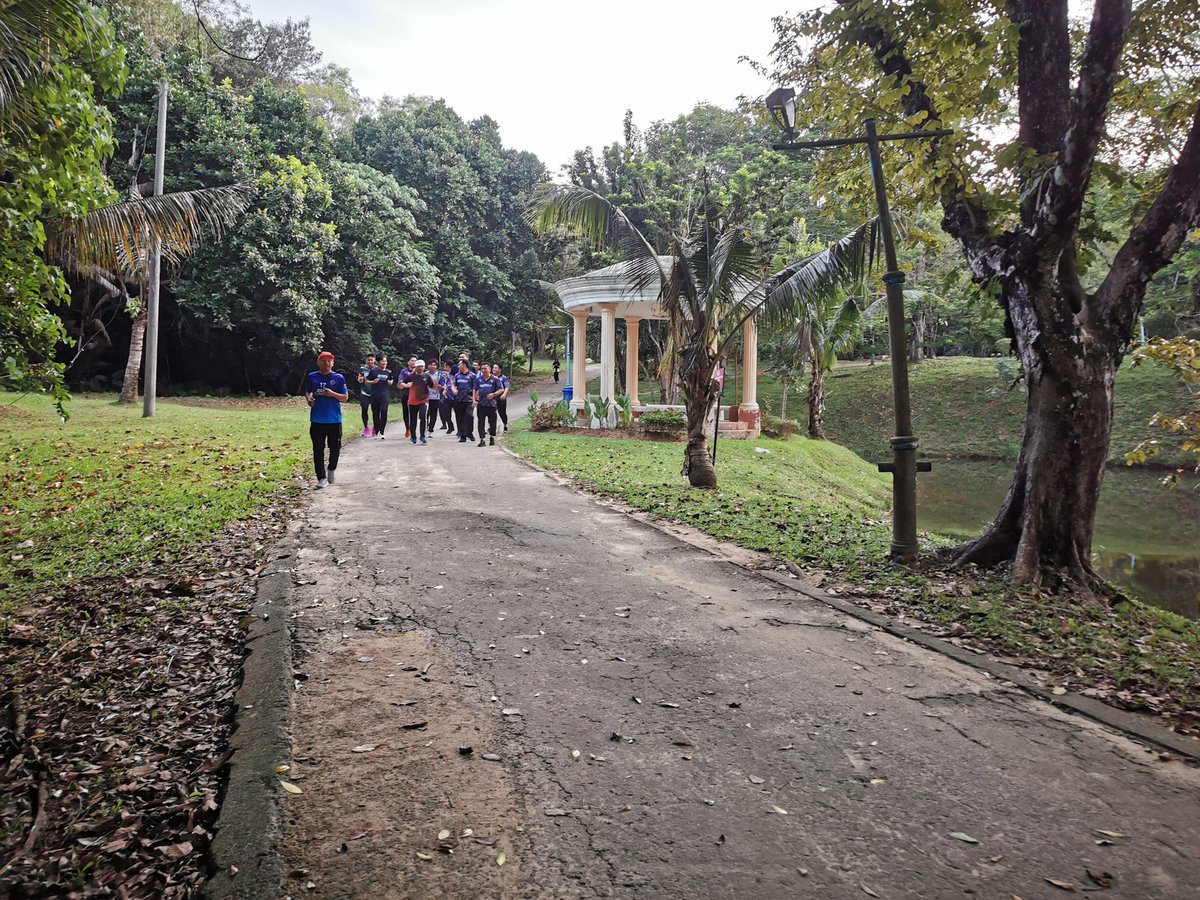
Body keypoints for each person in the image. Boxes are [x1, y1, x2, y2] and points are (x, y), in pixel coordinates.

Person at [304, 351, 348, 487]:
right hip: (317, 420)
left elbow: (345, 398)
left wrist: (332, 394)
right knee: (318, 449)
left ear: (333, 363)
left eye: (329, 361)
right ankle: (321, 478)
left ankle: (331, 469)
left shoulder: (339, 378)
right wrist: (309, 399)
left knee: (335, 449)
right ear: (318, 362)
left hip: (334, 420)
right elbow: (308, 392)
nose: (326, 363)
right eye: (323, 360)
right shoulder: (312, 377)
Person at [402, 359, 433, 444]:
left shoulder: (427, 376)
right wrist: (406, 385)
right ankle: (413, 436)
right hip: (413, 400)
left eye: (421, 366)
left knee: (423, 417)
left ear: (424, 367)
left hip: (424, 399)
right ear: (416, 367)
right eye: (418, 366)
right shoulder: (411, 376)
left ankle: (422, 436)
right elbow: (402, 384)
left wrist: (438, 386)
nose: (420, 368)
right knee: (413, 418)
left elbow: (432, 385)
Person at [473, 362, 502, 447]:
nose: (483, 370)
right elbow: (475, 389)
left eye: (485, 368)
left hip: (492, 404)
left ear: (489, 369)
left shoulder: (495, 379)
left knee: (492, 423)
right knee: (480, 422)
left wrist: (494, 394)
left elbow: (501, 389)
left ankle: (492, 437)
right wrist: (474, 400)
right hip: (481, 404)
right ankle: (482, 439)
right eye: (482, 369)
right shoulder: (478, 380)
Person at [451, 360, 476, 443]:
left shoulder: (473, 376)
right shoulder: (457, 375)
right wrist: (454, 390)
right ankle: (463, 435)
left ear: (464, 365)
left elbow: (475, 389)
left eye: (460, 365)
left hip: (469, 399)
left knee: (469, 416)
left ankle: (470, 432)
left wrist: (475, 399)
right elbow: (453, 385)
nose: (458, 367)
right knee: (460, 417)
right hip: (459, 399)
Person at [369, 355, 393, 439]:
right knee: (375, 413)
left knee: (384, 411)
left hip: (385, 394)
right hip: (375, 394)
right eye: (383, 361)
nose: (385, 363)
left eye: (386, 361)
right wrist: (373, 381)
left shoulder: (388, 372)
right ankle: (376, 431)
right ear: (378, 362)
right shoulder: (373, 371)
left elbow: (391, 380)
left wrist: (390, 382)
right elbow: (367, 381)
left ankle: (382, 432)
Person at [356, 353, 376, 436]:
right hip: (364, 392)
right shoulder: (362, 369)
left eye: (371, 360)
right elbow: (359, 378)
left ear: (374, 360)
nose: (370, 361)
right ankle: (366, 428)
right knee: (364, 409)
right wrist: (360, 379)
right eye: (368, 360)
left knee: (375, 410)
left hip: (375, 392)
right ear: (366, 360)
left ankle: (375, 428)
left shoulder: (377, 369)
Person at [397, 356, 417, 437]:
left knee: (414, 413)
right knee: (406, 412)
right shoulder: (404, 371)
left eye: (415, 361)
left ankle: (413, 430)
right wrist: (406, 385)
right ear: (408, 362)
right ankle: (407, 428)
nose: (413, 362)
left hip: (416, 395)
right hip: (406, 394)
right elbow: (399, 383)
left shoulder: (419, 371)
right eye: (411, 360)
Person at [492, 363, 511, 432]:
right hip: (492, 398)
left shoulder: (503, 378)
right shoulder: (490, 377)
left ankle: (505, 425)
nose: (493, 369)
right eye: (493, 368)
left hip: (500, 398)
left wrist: (504, 394)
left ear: (499, 369)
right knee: (491, 413)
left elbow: (507, 386)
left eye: (495, 368)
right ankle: (492, 427)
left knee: (502, 413)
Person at [436, 361, 455, 432]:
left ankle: (460, 431)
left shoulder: (455, 375)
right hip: (446, 397)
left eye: (445, 366)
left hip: (455, 397)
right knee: (446, 412)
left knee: (458, 414)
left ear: (448, 366)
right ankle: (450, 426)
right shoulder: (445, 376)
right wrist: (444, 389)